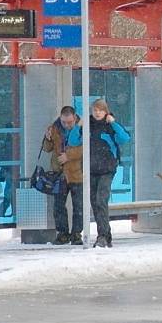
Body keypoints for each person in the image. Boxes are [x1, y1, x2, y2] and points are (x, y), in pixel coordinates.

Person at [87, 98, 130, 248]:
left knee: (101, 200)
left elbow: (125, 138)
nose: (97, 113)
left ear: (106, 112)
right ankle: (105, 234)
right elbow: (73, 141)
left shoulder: (110, 126)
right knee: (95, 203)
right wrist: (78, 126)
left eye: (100, 110)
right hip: (92, 169)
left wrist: (113, 122)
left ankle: (103, 235)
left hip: (107, 169)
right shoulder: (88, 126)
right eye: (95, 110)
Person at [43, 105, 83, 245]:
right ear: (60, 118)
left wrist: (69, 156)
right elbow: (47, 149)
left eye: (70, 122)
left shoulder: (82, 127)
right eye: (64, 122)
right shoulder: (54, 128)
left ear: (74, 118)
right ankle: (63, 233)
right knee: (58, 205)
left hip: (77, 171)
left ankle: (76, 233)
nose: (67, 125)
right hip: (59, 173)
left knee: (79, 205)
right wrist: (47, 138)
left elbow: (87, 148)